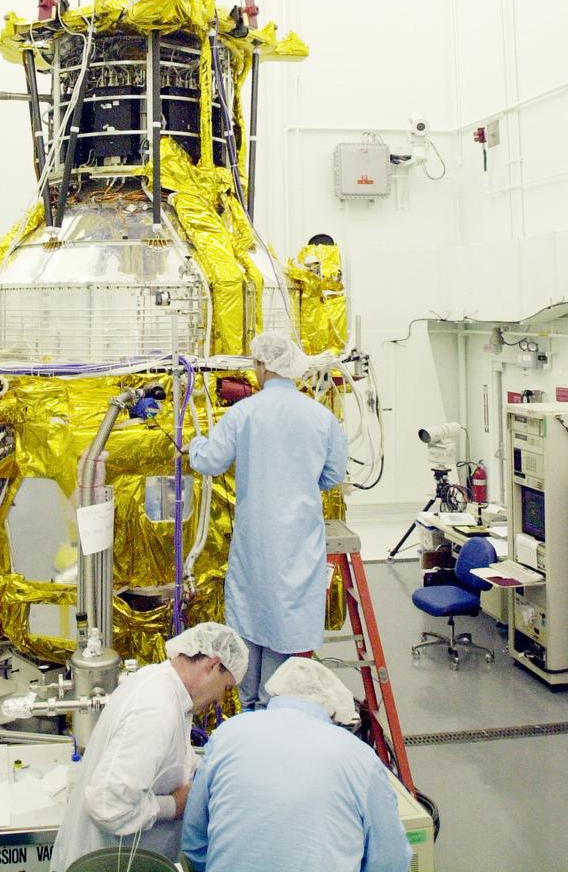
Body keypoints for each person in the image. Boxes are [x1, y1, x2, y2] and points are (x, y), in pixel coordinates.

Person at [187, 330, 348, 709]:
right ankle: (277, 715)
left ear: (261, 365)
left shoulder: (244, 413)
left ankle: (250, 713)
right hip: (299, 545)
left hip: (255, 547)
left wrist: (194, 443)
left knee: (249, 631)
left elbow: (209, 461)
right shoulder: (321, 418)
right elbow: (331, 476)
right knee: (286, 637)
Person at [181, 657, 413, 872]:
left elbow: (193, 843)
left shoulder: (226, 735)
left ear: (276, 694)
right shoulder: (360, 757)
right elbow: (390, 861)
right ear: (332, 710)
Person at [49, 622, 248, 871]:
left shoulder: (164, 686)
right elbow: (107, 805)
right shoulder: (156, 708)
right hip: (109, 862)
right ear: (212, 664)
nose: (220, 699)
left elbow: (167, 759)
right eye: (226, 687)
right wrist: (174, 806)